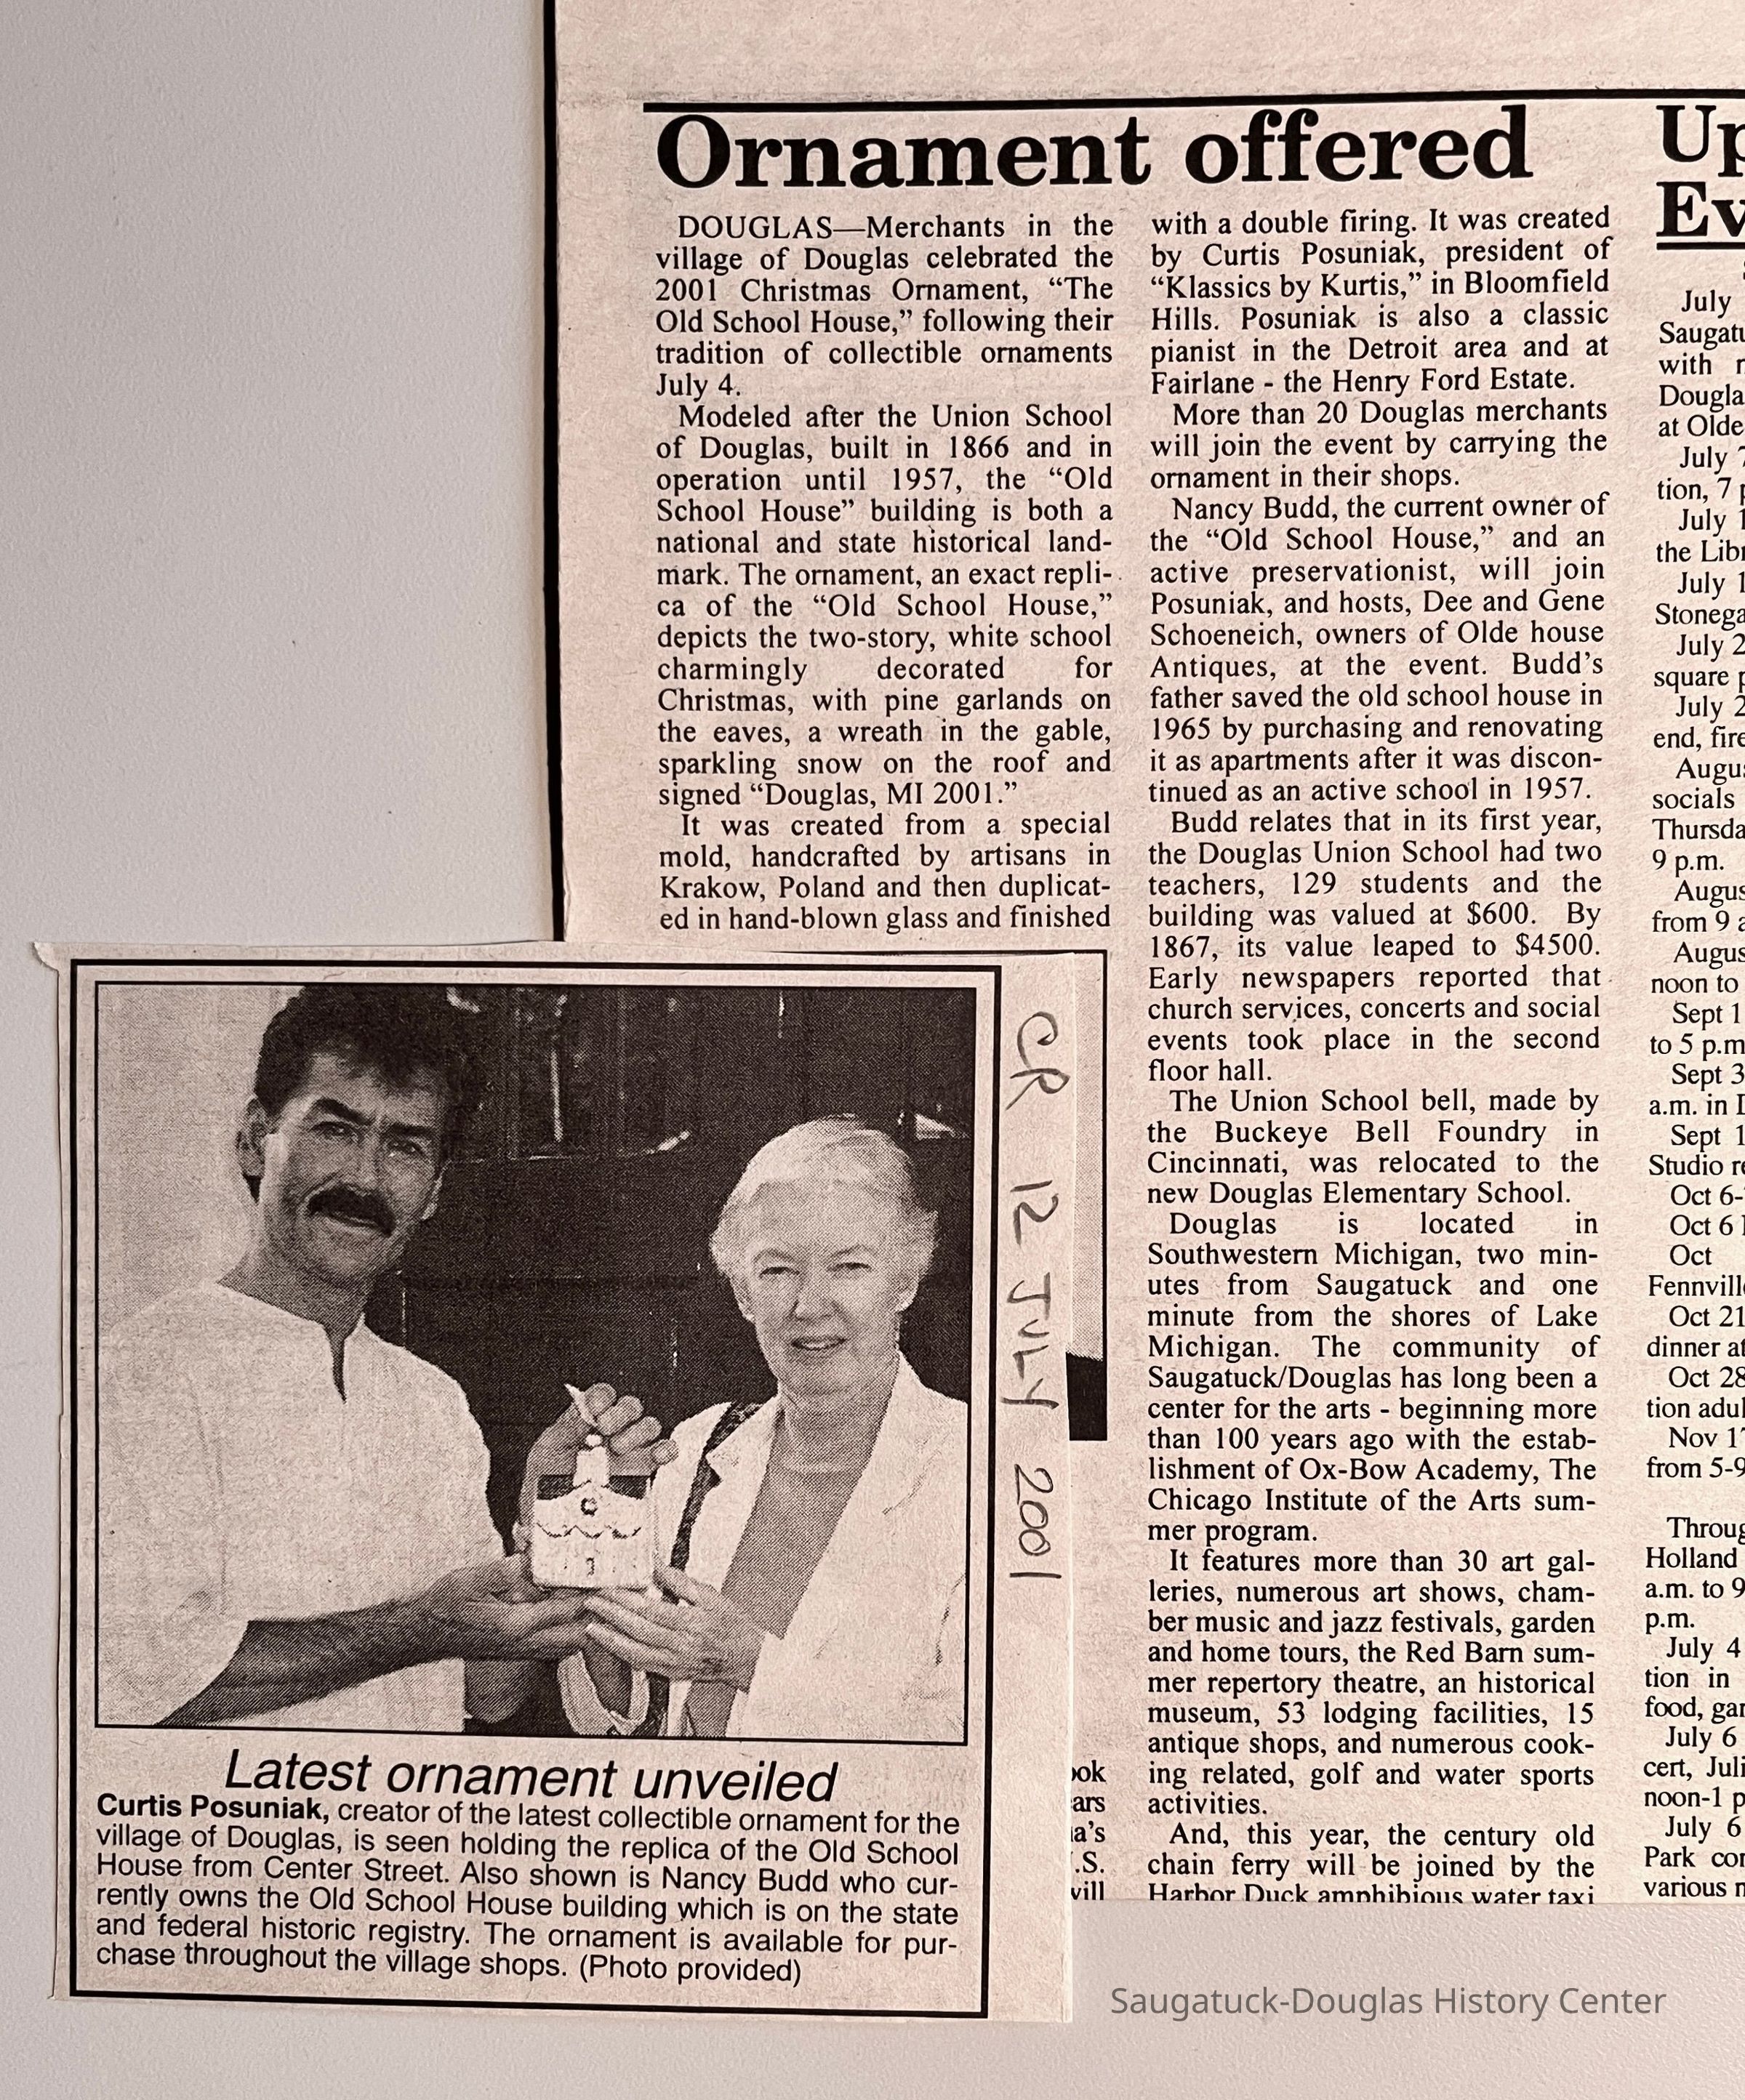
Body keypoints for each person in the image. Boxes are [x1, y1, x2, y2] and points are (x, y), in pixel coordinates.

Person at [99, 983, 671, 1731]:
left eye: (405, 1146)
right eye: (335, 1130)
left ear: (433, 1192)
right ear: (253, 1140)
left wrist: (551, 1521)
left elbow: (488, 1695)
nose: (365, 1179)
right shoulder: (143, 1369)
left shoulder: (432, 1402)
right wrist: (416, 1628)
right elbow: (137, 1680)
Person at [559, 1118, 967, 1742]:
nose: (809, 1305)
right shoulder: (699, 1446)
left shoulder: (980, 1468)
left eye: (850, 1266)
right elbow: (616, 1718)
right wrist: (600, 1598)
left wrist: (750, 1662)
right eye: (778, 1271)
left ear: (905, 1280)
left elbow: (978, 1738)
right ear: (743, 1294)